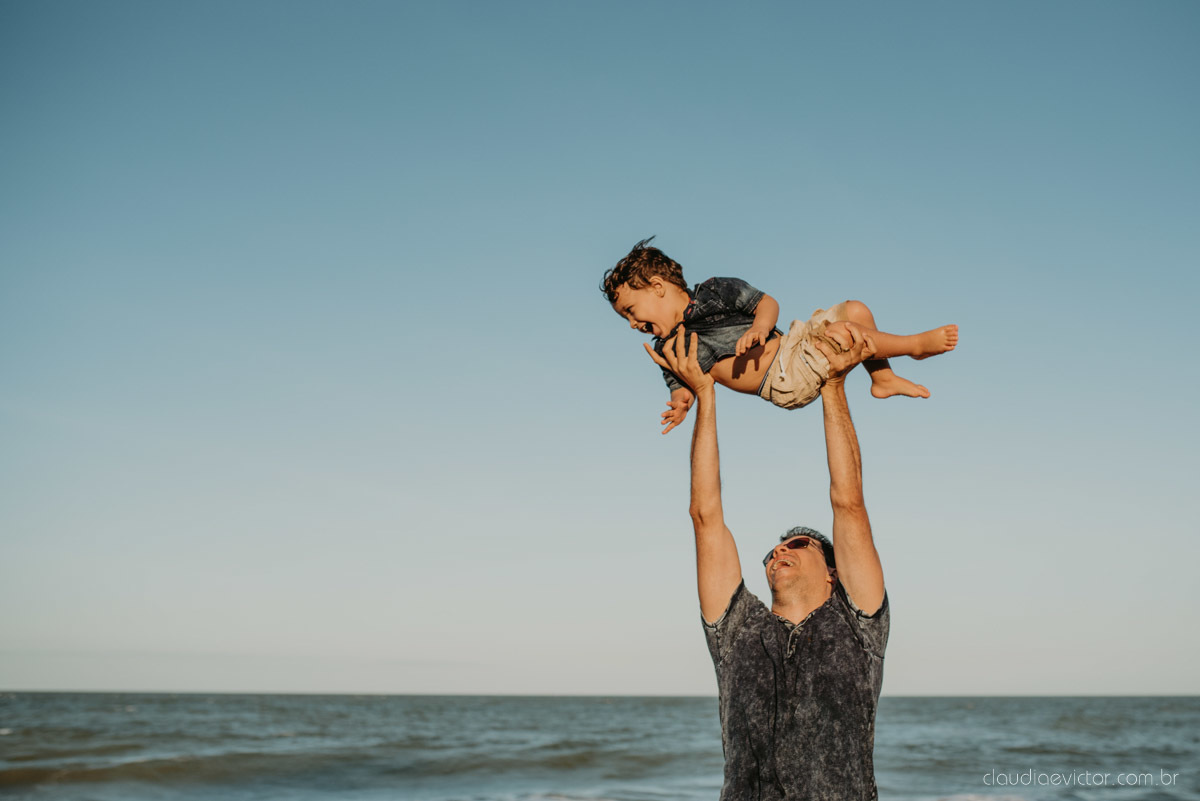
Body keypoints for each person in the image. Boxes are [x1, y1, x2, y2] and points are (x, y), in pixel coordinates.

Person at [647, 322, 889, 801]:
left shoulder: (858, 625)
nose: (780, 550)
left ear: (833, 572)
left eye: (799, 545)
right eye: (774, 549)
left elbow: (849, 503)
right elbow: (705, 517)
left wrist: (834, 386)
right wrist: (706, 394)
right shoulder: (737, 630)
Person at [601, 237, 957, 433]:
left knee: (856, 310)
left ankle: (884, 378)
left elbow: (766, 303)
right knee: (845, 333)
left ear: (658, 287)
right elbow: (681, 386)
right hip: (784, 378)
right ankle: (914, 346)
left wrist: (759, 326)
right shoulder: (669, 348)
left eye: (631, 311)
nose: (632, 324)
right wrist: (681, 404)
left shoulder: (714, 290)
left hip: (791, 345)